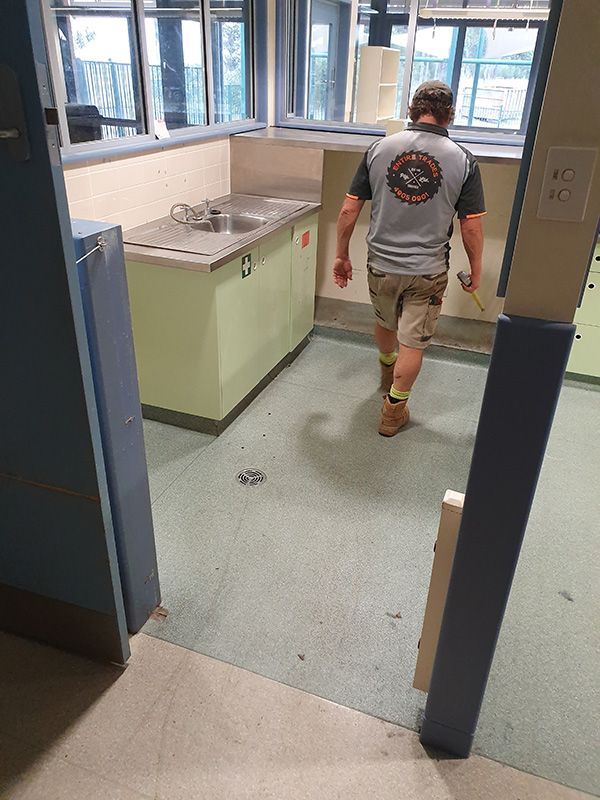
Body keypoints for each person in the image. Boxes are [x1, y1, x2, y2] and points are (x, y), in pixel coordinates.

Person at [333, 80, 486, 437]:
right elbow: (472, 228)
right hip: (428, 271)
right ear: (449, 114)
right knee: (413, 343)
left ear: (411, 111)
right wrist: (476, 270)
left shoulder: (379, 149)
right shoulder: (462, 159)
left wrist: (341, 254)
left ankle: (387, 371)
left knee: (386, 323)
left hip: (380, 265)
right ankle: (393, 412)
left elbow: (348, 209)